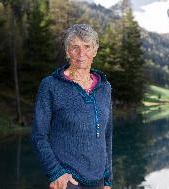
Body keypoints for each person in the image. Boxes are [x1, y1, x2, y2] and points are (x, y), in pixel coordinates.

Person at [31, 24, 113, 189]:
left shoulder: (104, 87)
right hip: (68, 180)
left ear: (95, 51)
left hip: (98, 180)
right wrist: (56, 172)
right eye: (75, 47)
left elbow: (107, 135)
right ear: (67, 51)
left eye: (87, 47)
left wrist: (108, 179)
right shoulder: (51, 86)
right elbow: (39, 135)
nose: (81, 53)